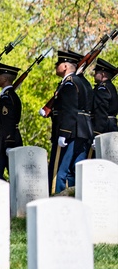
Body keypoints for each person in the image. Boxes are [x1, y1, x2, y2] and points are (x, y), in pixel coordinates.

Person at [50, 50, 93, 193]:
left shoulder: (69, 84)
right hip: (83, 131)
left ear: (65, 66)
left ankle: (57, 199)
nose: (56, 66)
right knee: (75, 169)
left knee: (59, 170)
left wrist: (64, 133)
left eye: (58, 64)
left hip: (70, 131)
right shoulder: (82, 82)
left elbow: (69, 110)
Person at [0, 64, 23, 180]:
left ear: (4, 79)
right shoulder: (8, 96)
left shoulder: (7, 98)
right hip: (5, 139)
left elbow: (8, 121)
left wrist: (9, 144)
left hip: (4, 141)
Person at [92, 58, 118, 136]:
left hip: (104, 128)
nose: (94, 74)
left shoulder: (102, 89)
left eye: (96, 72)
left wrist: (97, 133)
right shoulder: (110, 87)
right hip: (110, 126)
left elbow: (101, 112)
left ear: (103, 74)